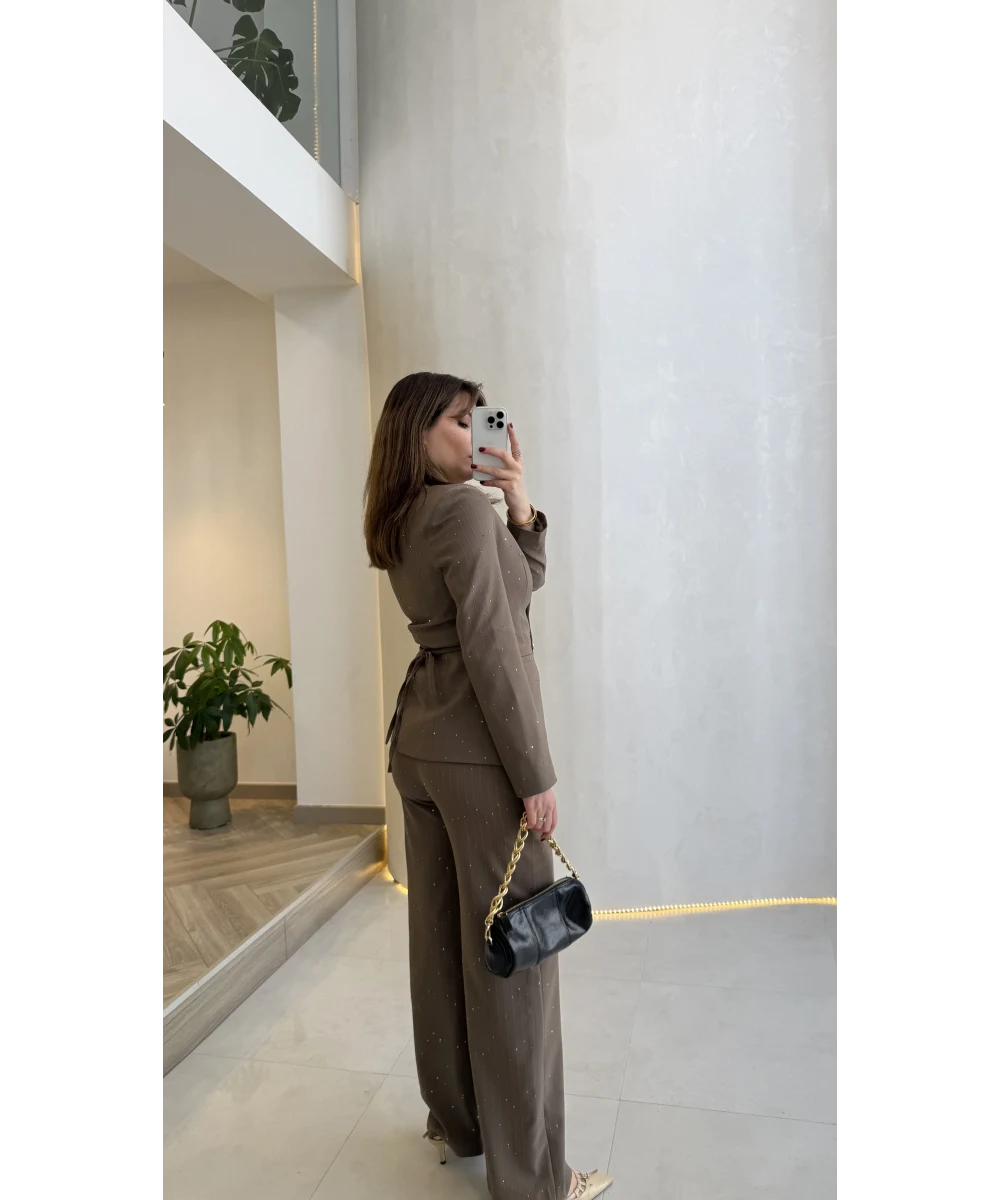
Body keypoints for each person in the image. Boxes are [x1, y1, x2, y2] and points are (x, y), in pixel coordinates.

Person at [363, 372, 613, 1200]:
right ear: (416, 432)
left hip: (419, 743)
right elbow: (497, 645)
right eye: (459, 421)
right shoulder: (462, 513)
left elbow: (514, 585)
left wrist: (519, 504)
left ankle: (460, 1121)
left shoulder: (405, 514)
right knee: (518, 960)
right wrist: (533, 775)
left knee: (440, 940)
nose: (476, 434)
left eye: (480, 420)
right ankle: (536, 1178)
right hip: (478, 754)